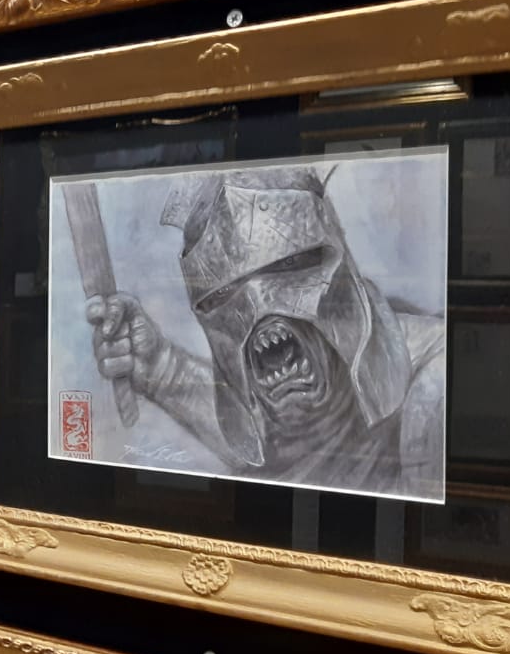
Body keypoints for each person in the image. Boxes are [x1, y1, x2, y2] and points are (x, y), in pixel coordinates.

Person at [84, 164, 445, 499]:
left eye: (287, 264)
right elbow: (266, 442)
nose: (257, 303)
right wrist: (163, 369)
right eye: (223, 294)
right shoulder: (292, 395)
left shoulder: (432, 388)